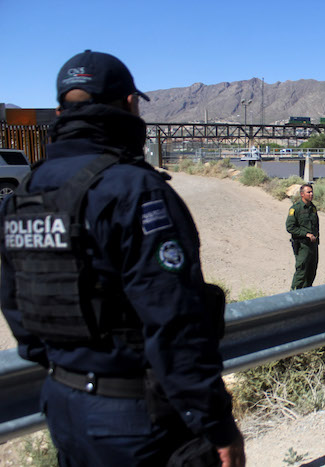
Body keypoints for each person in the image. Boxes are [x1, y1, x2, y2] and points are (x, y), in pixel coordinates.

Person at [0, 50, 245, 466]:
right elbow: (174, 323)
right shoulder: (134, 190)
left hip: (63, 406)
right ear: (131, 104)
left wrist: (70, 369)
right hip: (135, 417)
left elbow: (16, 306)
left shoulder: (23, 196)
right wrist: (216, 423)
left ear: (60, 112)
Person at [285, 183, 319, 289]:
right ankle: (294, 294)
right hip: (302, 245)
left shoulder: (312, 208)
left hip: (313, 244)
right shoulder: (295, 209)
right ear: (302, 194)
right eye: (308, 192)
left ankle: (307, 293)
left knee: (312, 270)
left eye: (312, 192)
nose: (311, 194)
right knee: (301, 270)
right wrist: (306, 234)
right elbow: (290, 227)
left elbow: (315, 225)